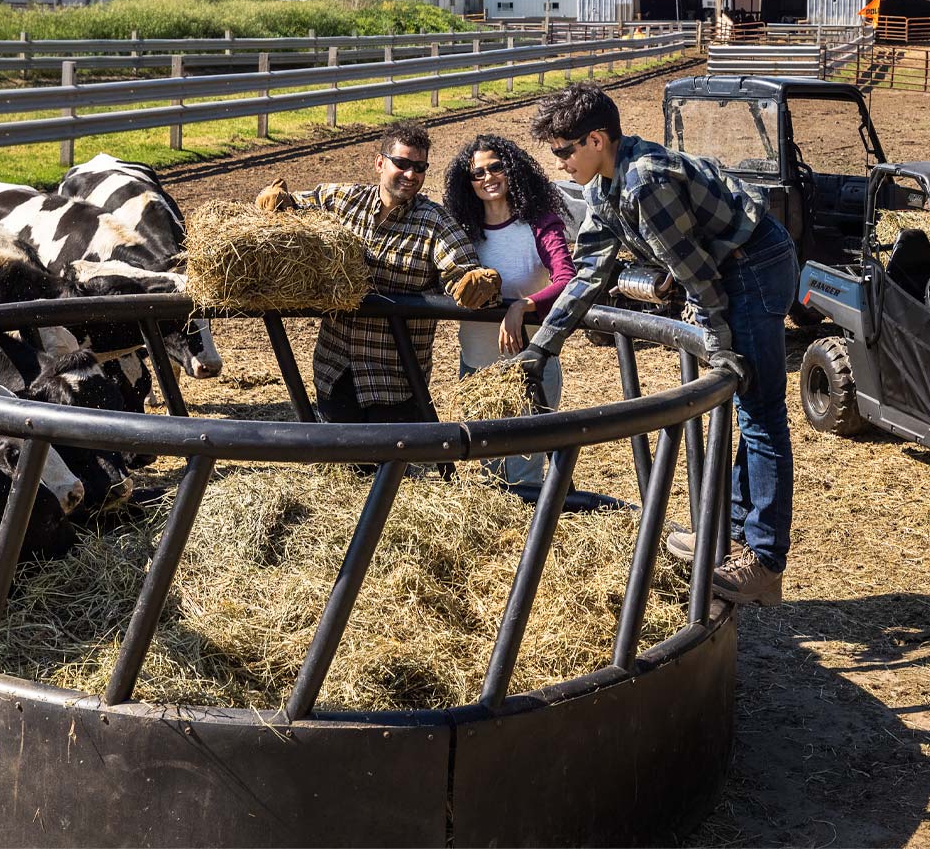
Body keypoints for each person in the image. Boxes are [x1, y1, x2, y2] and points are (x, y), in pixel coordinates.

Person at [508, 83, 797, 606]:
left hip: (753, 264)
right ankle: (731, 537)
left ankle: (765, 560)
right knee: (743, 404)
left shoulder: (645, 183)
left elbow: (696, 274)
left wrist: (717, 340)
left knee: (760, 411)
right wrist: (543, 346)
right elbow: (589, 273)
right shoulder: (603, 186)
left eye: (563, 151)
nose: (560, 164)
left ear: (596, 139)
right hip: (723, 265)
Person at [255, 117, 501, 427]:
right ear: (379, 162)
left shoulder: (435, 222)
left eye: (420, 168)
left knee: (386, 469)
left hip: (395, 380)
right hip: (336, 368)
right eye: (402, 163)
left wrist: (475, 283)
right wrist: (278, 202)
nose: (411, 174)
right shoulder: (342, 201)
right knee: (340, 464)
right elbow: (295, 209)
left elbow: (459, 270)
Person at [443, 133, 576, 486]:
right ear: (467, 183)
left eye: (496, 167)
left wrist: (524, 305)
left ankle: (532, 539)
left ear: (512, 169)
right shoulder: (461, 231)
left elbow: (567, 277)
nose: (488, 178)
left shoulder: (539, 223)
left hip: (528, 367)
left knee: (523, 475)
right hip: (476, 366)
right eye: (477, 173)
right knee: (488, 472)